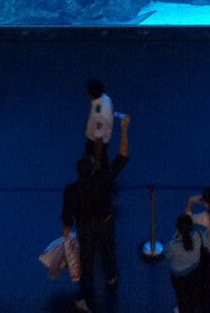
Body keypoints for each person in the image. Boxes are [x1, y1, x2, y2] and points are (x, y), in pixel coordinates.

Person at [62, 112, 130, 312]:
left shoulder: (71, 190)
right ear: (93, 169)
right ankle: (111, 277)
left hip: (85, 226)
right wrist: (124, 128)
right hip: (105, 222)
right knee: (109, 249)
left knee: (87, 256)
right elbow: (123, 156)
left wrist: (66, 229)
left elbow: (67, 213)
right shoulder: (104, 179)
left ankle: (87, 289)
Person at [166, 213, 209, 313]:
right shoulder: (198, 234)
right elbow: (208, 243)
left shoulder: (173, 244)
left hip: (179, 276)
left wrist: (174, 237)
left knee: (181, 296)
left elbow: (167, 254)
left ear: (177, 228)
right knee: (194, 292)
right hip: (196, 270)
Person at [84, 78, 115, 167]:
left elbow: (98, 138)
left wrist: (97, 160)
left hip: (96, 146)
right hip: (100, 143)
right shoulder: (105, 98)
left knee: (95, 170)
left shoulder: (99, 115)